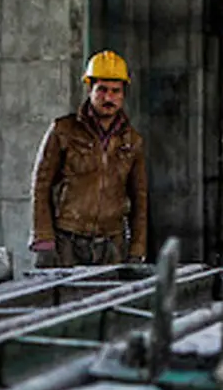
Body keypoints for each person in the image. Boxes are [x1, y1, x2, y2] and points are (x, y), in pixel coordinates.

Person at [29, 50, 149, 268]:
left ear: (123, 94)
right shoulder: (63, 131)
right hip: (68, 241)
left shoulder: (132, 141)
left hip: (112, 245)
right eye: (102, 89)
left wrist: (137, 248)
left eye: (115, 91)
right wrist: (43, 239)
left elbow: (139, 198)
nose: (108, 98)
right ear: (90, 89)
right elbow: (41, 185)